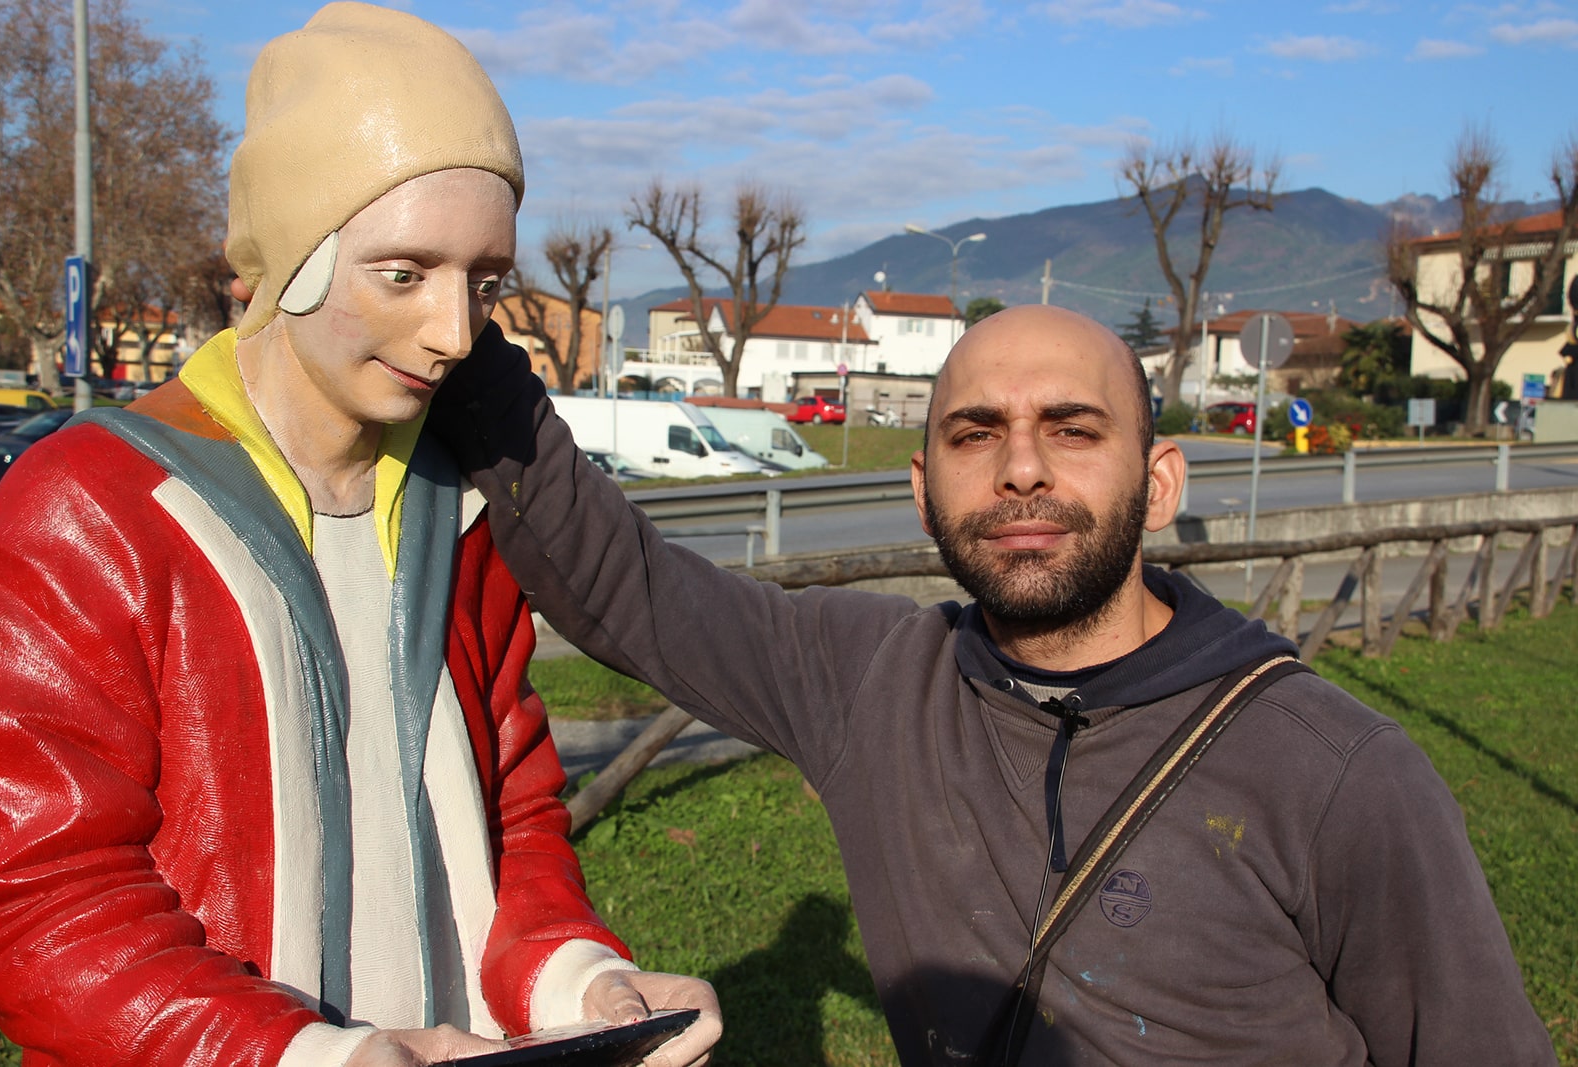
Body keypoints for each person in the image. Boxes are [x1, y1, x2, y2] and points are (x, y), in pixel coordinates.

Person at [430, 304, 1556, 1065]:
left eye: (1072, 429)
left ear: (1158, 482)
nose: (1022, 466)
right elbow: (623, 583)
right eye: (978, 434)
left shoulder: (1338, 771)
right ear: (923, 491)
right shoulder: (870, 678)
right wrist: (454, 327)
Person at [0, 5, 718, 1066]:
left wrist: (581, 979)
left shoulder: (456, 510)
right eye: (405, 272)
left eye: (485, 279)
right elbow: (29, 897)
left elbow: (514, 814)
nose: (456, 332)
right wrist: (308, 1053)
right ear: (295, 256)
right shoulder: (92, 509)